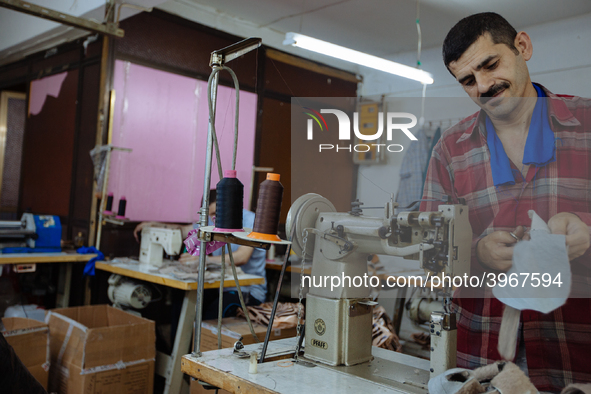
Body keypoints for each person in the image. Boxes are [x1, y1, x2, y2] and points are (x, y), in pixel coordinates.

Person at [420, 12, 591, 392]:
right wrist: (477, 252)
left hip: (578, 361)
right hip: (485, 364)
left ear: (522, 47)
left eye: (490, 65)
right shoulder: (450, 150)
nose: (483, 85)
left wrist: (588, 231)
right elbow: (430, 258)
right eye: (468, 80)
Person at [133, 190, 267, 318]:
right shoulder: (212, 220)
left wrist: (204, 260)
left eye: (215, 213)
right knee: (182, 300)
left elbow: (242, 257)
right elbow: (183, 230)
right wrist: (153, 225)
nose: (213, 219)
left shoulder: (251, 221)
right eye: (210, 215)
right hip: (220, 287)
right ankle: (180, 342)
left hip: (248, 291)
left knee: (212, 315)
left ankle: (200, 341)